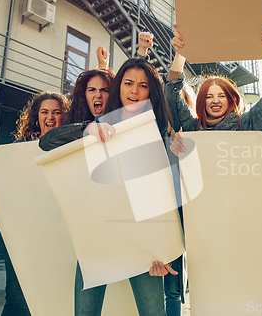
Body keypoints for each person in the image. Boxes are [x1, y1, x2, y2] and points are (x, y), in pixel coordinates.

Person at [41, 57, 180, 316]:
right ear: (119, 88)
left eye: (143, 85)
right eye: (128, 83)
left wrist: (163, 247)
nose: (135, 91)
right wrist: (88, 129)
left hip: (144, 245)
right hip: (97, 240)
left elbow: (166, 194)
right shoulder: (102, 124)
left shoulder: (162, 133)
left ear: (152, 92)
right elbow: (46, 142)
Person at [0, 92, 70, 316]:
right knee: (17, 299)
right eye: (45, 112)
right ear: (37, 116)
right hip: (23, 236)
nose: (50, 117)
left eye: (57, 112)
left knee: (54, 296)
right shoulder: (18, 147)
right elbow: (4, 189)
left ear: (65, 116)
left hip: (59, 234)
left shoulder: (72, 146)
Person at [165, 20, 262, 132]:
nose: (215, 101)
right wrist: (181, 53)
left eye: (221, 96)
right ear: (202, 101)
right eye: (209, 97)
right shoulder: (191, 127)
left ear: (230, 99)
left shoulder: (247, 124)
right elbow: (172, 95)